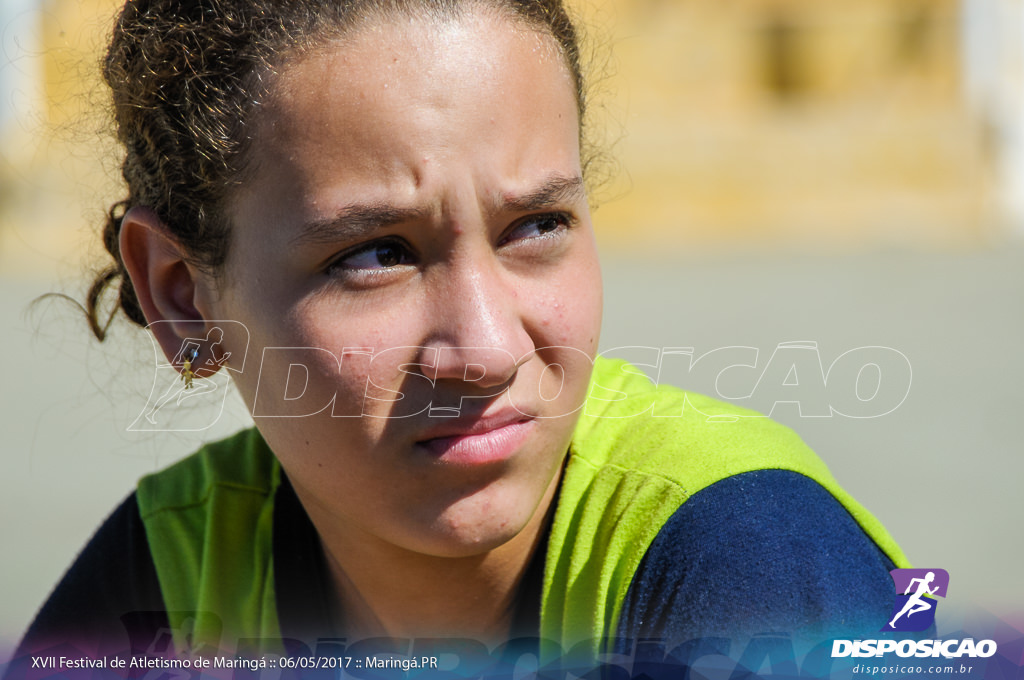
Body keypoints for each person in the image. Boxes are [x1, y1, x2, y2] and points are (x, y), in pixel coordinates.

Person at [7, 0, 908, 673]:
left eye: (537, 226)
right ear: (183, 299)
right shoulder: (175, 578)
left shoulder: (749, 559)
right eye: (376, 254)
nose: (487, 349)